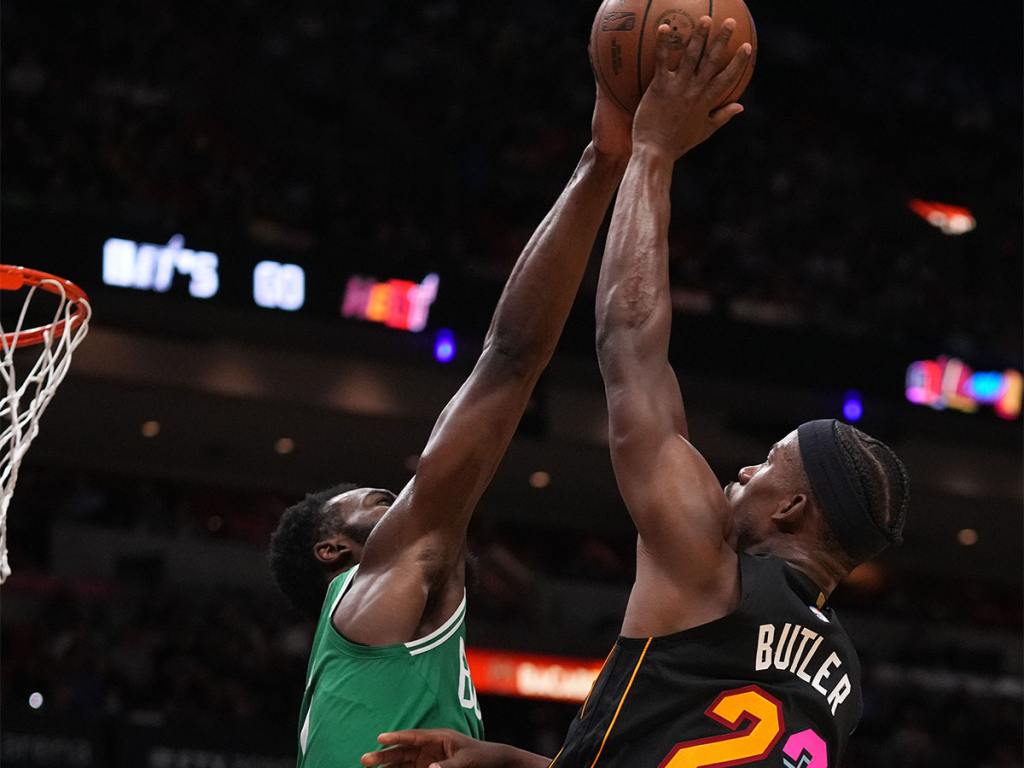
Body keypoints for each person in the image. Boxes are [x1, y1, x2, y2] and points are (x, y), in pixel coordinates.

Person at [361, 18, 909, 768]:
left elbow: (629, 347)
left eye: (768, 464)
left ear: (792, 507)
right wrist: (499, 759)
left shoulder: (707, 569)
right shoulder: (839, 680)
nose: (743, 471)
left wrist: (649, 152)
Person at [266, 46, 639, 766]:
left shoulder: (393, 650)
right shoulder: (377, 583)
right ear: (334, 551)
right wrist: (603, 162)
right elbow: (509, 357)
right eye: (378, 499)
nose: (404, 495)